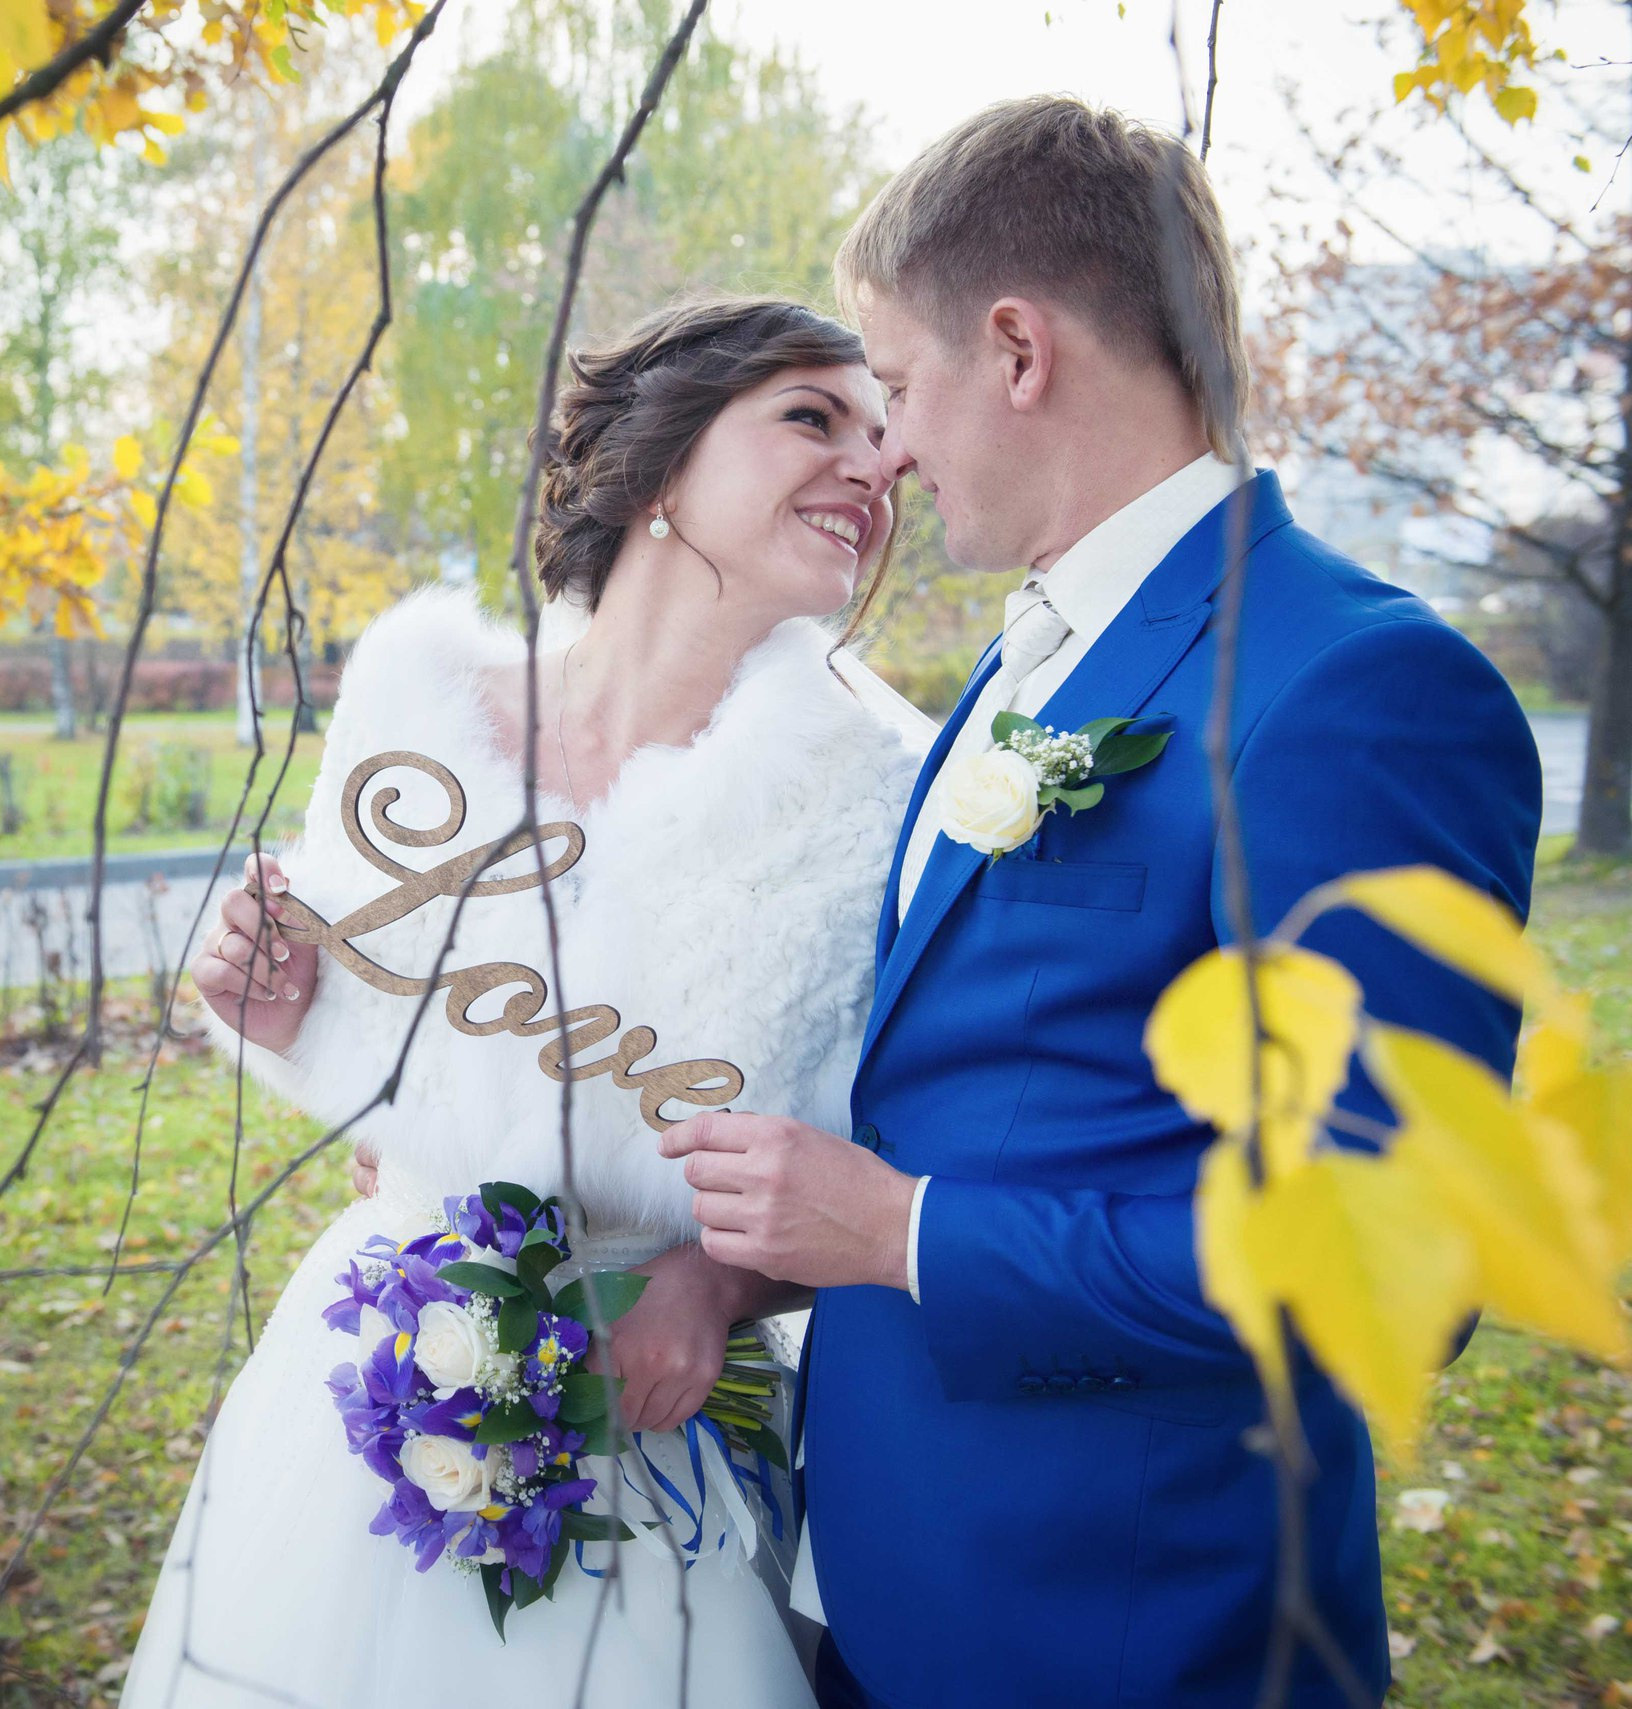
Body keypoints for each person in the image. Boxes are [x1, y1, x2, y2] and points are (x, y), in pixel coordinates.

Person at [655, 98, 1542, 1707]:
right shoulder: (1015, 662)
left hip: (1126, 1640)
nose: (891, 452)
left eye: (901, 386)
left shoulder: (1353, 686)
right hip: (874, 1586)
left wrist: (907, 1233)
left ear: (1018, 349)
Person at [116, 293, 933, 1708]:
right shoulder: (416, 704)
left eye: (886, 432)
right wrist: (264, 988)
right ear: (664, 456)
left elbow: (888, 1144)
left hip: (660, 1414)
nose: (874, 463)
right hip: (381, 1380)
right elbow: (355, 1051)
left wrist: (714, 1282)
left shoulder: (878, 789)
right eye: (814, 417)